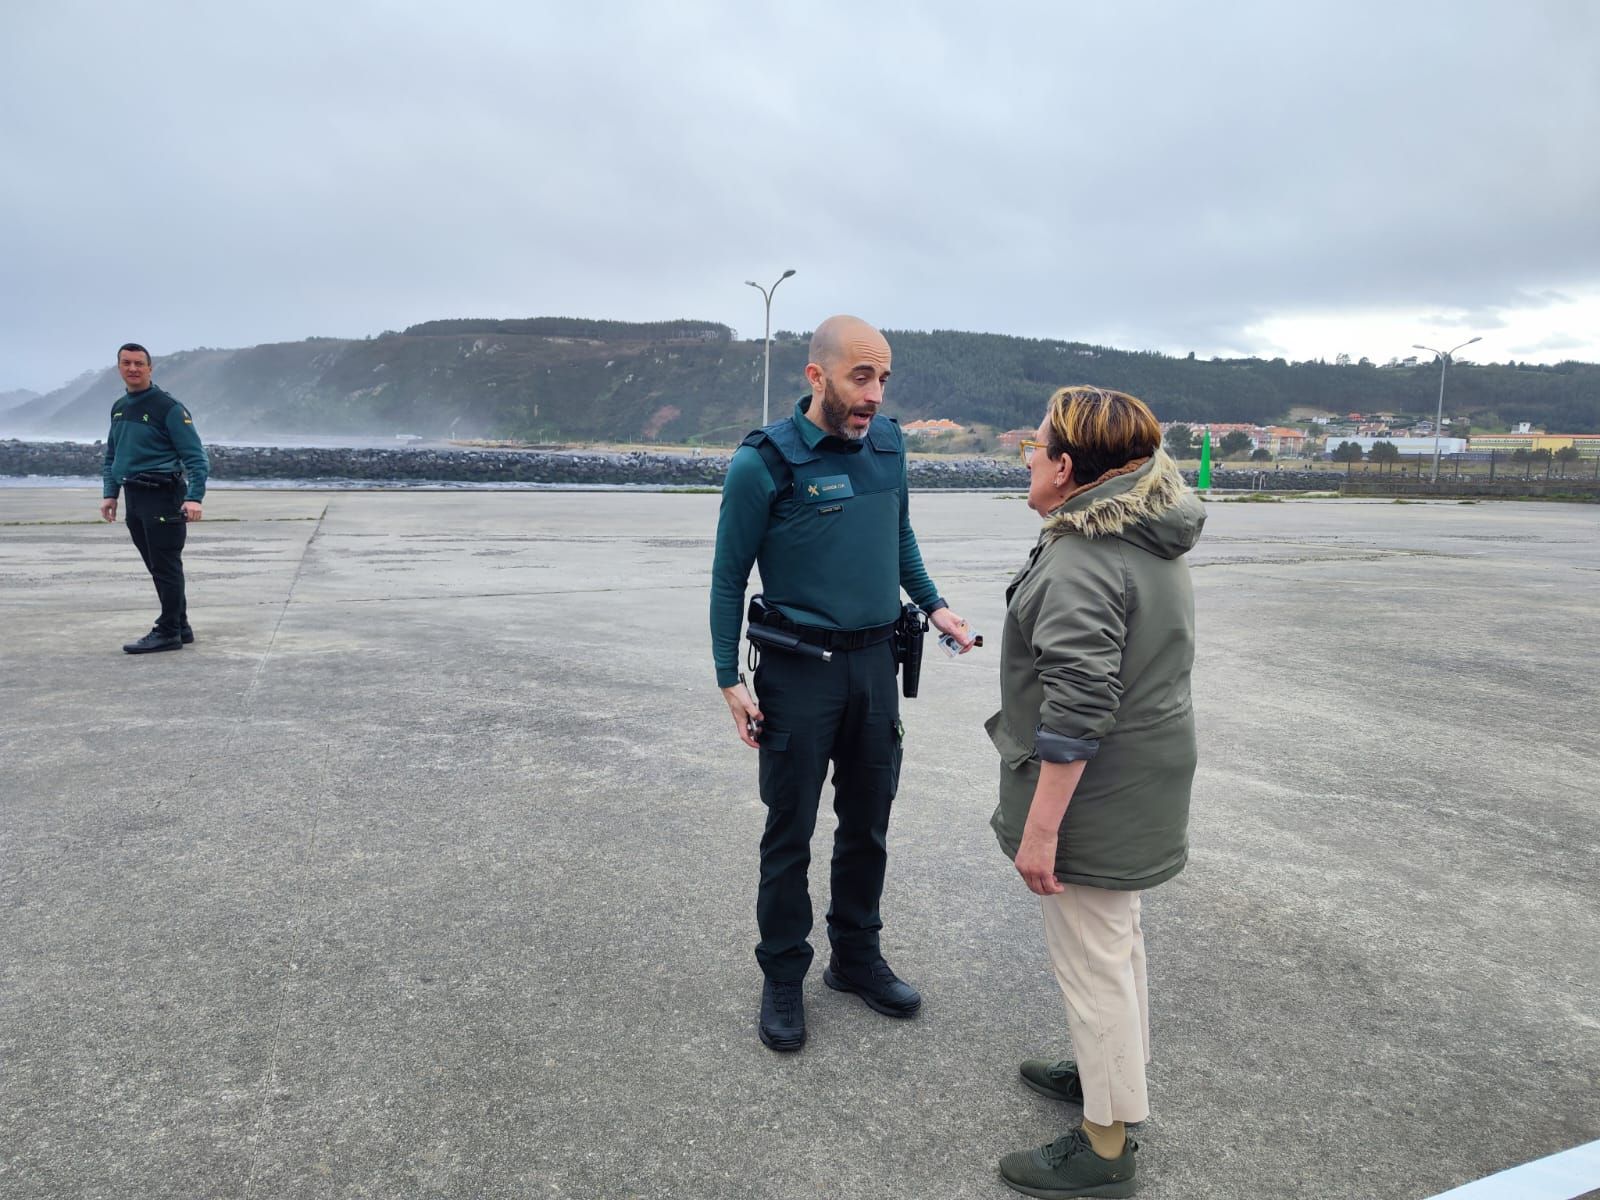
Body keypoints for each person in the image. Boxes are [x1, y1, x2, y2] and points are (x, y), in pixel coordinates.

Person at [710, 314, 975, 1052]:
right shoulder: (762, 462)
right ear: (817, 375)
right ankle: (784, 974)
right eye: (862, 376)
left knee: (869, 825)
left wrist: (935, 605)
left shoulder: (888, 444)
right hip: (798, 675)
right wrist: (728, 677)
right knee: (789, 833)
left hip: (874, 668)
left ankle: (855, 960)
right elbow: (729, 577)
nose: (875, 394)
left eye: (884, 378)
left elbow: (898, 538)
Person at [989, 385, 1204, 1197]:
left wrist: (1042, 832)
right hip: (1144, 773)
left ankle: (1105, 1147)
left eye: (1036, 446)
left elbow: (1077, 711)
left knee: (1093, 961)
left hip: (1100, 791)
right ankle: (1103, 1072)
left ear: (1068, 467)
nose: (1030, 458)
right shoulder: (1146, 535)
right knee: (1117, 943)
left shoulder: (1086, 558)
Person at [98, 343, 209, 653]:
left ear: (150, 368)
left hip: (163, 494)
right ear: (119, 367)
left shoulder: (168, 408)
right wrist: (111, 493)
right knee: (156, 565)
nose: (132, 368)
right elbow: (113, 455)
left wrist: (194, 497)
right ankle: (181, 625)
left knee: (166, 565)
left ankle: (168, 631)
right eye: (126, 363)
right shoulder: (120, 406)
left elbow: (196, 457)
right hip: (134, 496)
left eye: (139, 363)